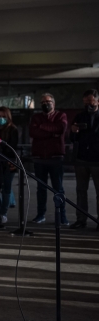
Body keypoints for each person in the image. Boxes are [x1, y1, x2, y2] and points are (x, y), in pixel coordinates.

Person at [30, 93, 68, 225]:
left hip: (56, 158)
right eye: (42, 102)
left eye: (48, 101)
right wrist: (52, 133)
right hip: (39, 158)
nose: (45, 104)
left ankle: (62, 217)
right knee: (41, 189)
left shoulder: (61, 116)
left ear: (54, 103)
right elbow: (33, 132)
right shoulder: (36, 117)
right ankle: (41, 215)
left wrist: (42, 127)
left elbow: (61, 128)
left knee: (58, 189)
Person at [70, 89, 99, 229]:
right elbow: (72, 138)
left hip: (97, 160)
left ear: (97, 101)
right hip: (81, 159)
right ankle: (81, 219)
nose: (88, 105)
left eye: (91, 102)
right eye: (86, 102)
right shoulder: (79, 116)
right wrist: (73, 131)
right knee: (81, 191)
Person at [0, 106, 19, 228]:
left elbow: (12, 148)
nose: (1, 119)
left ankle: (3, 213)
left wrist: (0, 150)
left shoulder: (13, 130)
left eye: (3, 116)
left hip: (9, 163)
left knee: (6, 188)